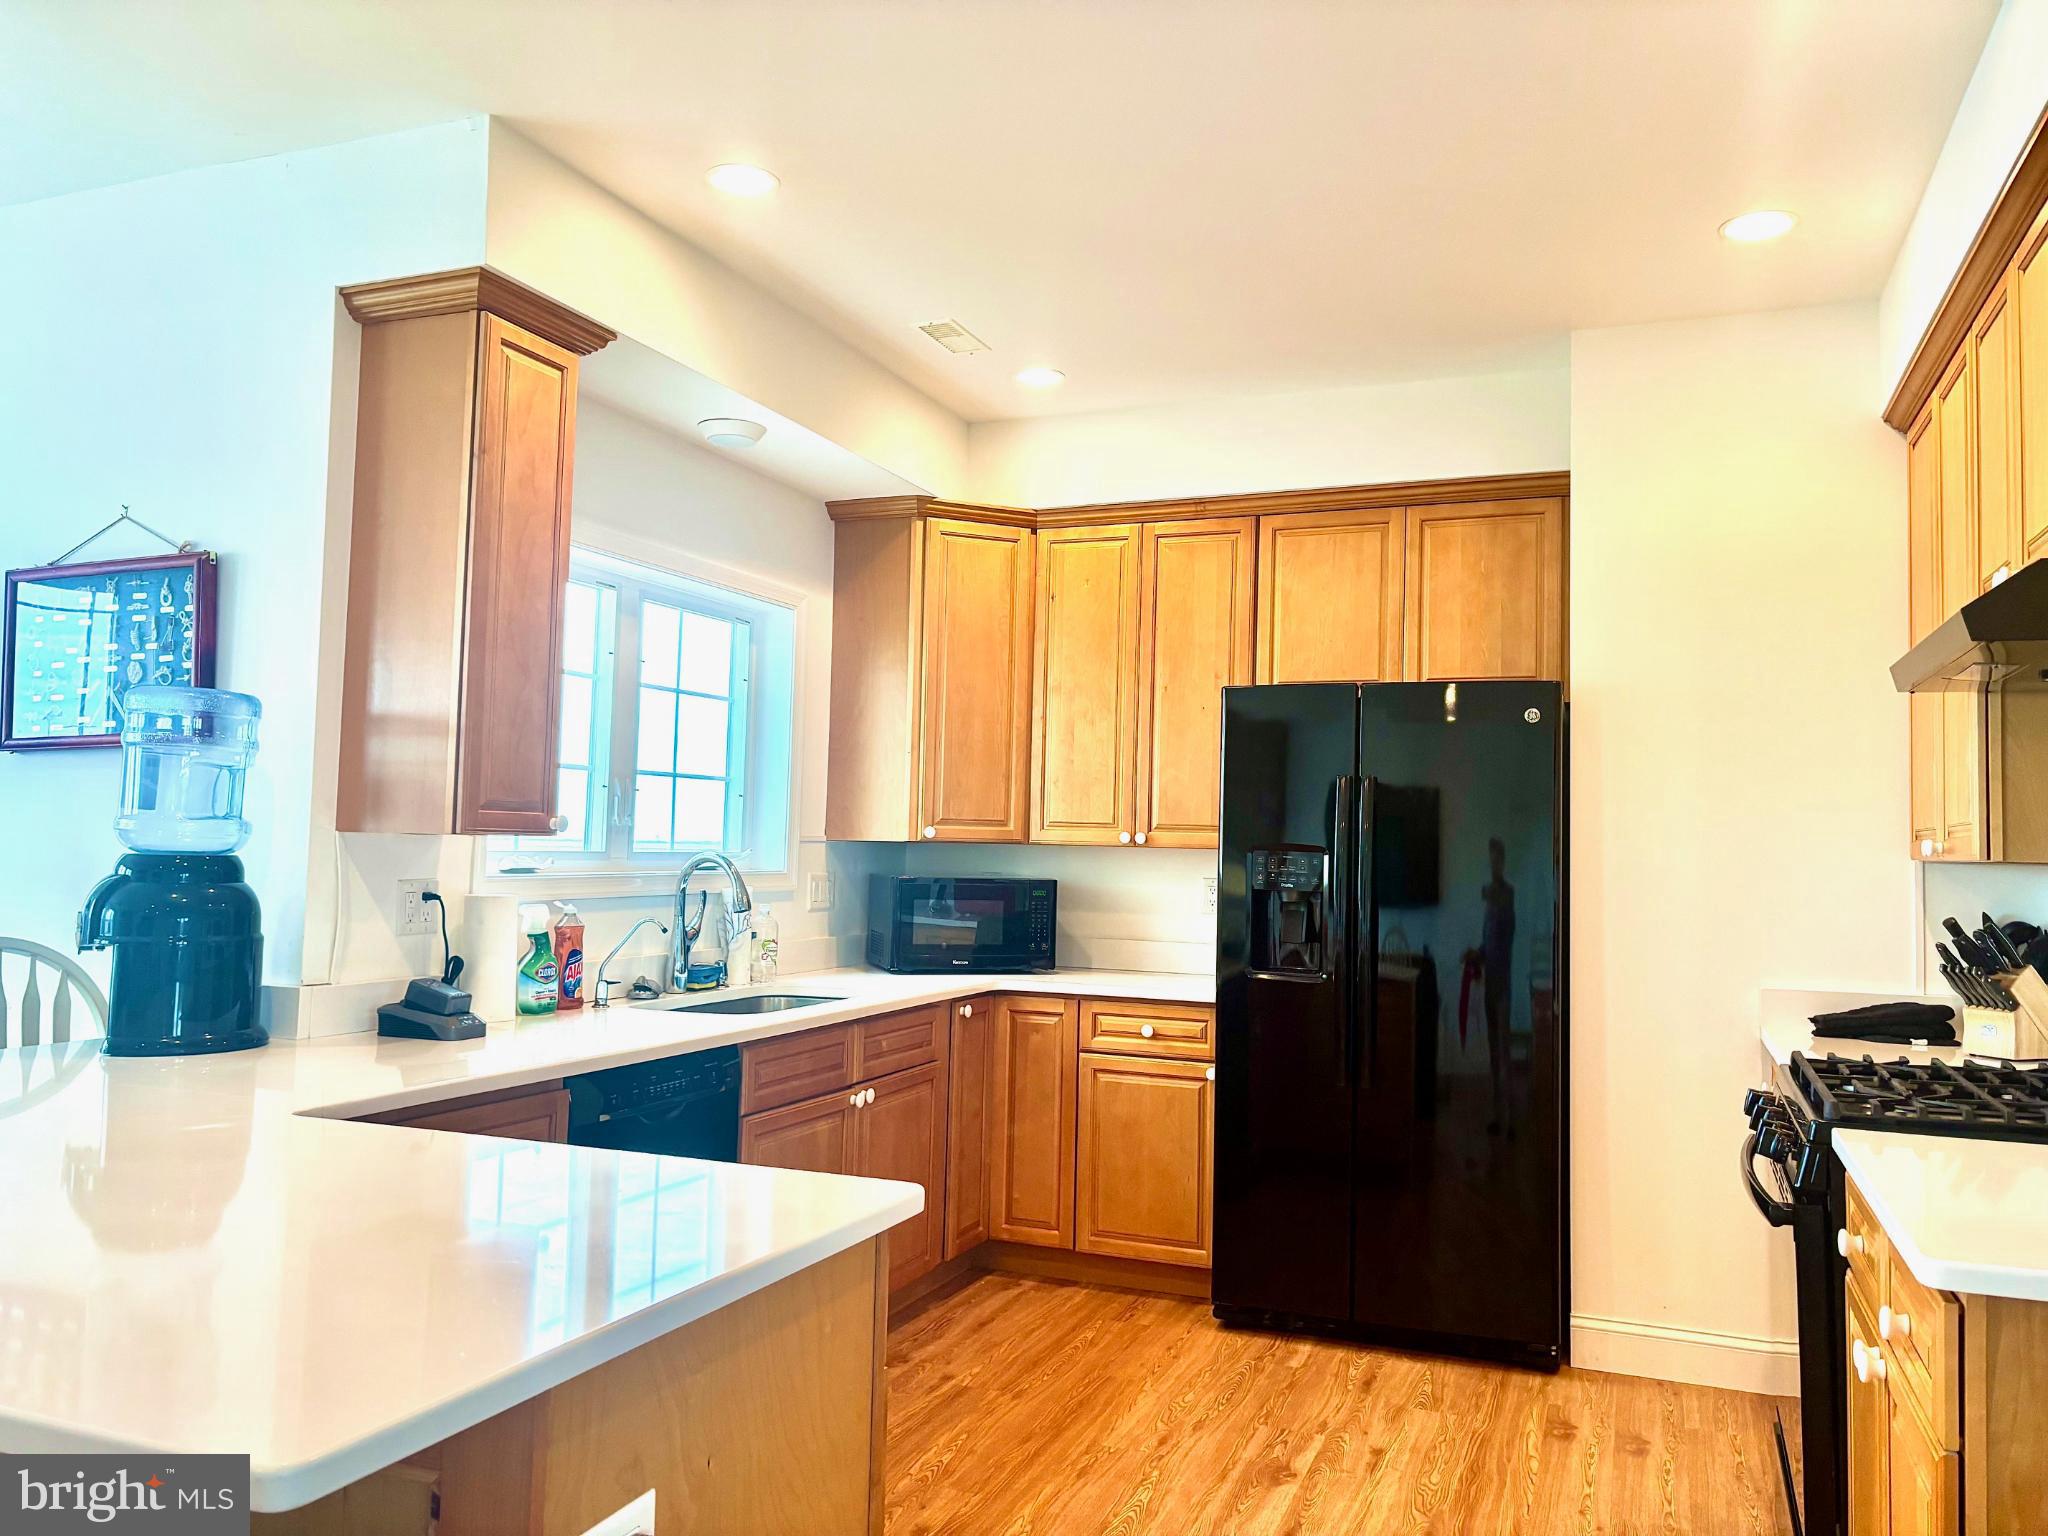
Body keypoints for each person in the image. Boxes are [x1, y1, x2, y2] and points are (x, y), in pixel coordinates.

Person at [1478, 837, 1516, 1134]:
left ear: (1503, 861)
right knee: (1493, 1050)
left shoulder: (1506, 895)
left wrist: (1491, 898)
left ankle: (1510, 1118)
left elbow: (1505, 940)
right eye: (1491, 859)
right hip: (1489, 980)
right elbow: (1487, 943)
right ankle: (1495, 1113)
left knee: (1503, 1051)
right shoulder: (1489, 896)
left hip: (1502, 981)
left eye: (1498, 858)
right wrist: (1475, 954)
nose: (1494, 864)